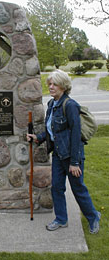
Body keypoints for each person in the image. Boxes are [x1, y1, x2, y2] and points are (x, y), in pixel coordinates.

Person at [27, 69, 101, 234]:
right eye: (50, 84)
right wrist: (38, 138)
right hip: (58, 155)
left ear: (63, 86)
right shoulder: (52, 104)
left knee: (78, 189)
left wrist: (75, 162)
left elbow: (75, 136)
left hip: (72, 156)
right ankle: (61, 219)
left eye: (55, 84)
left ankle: (93, 217)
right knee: (57, 188)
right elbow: (53, 130)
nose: (51, 87)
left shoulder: (70, 105)